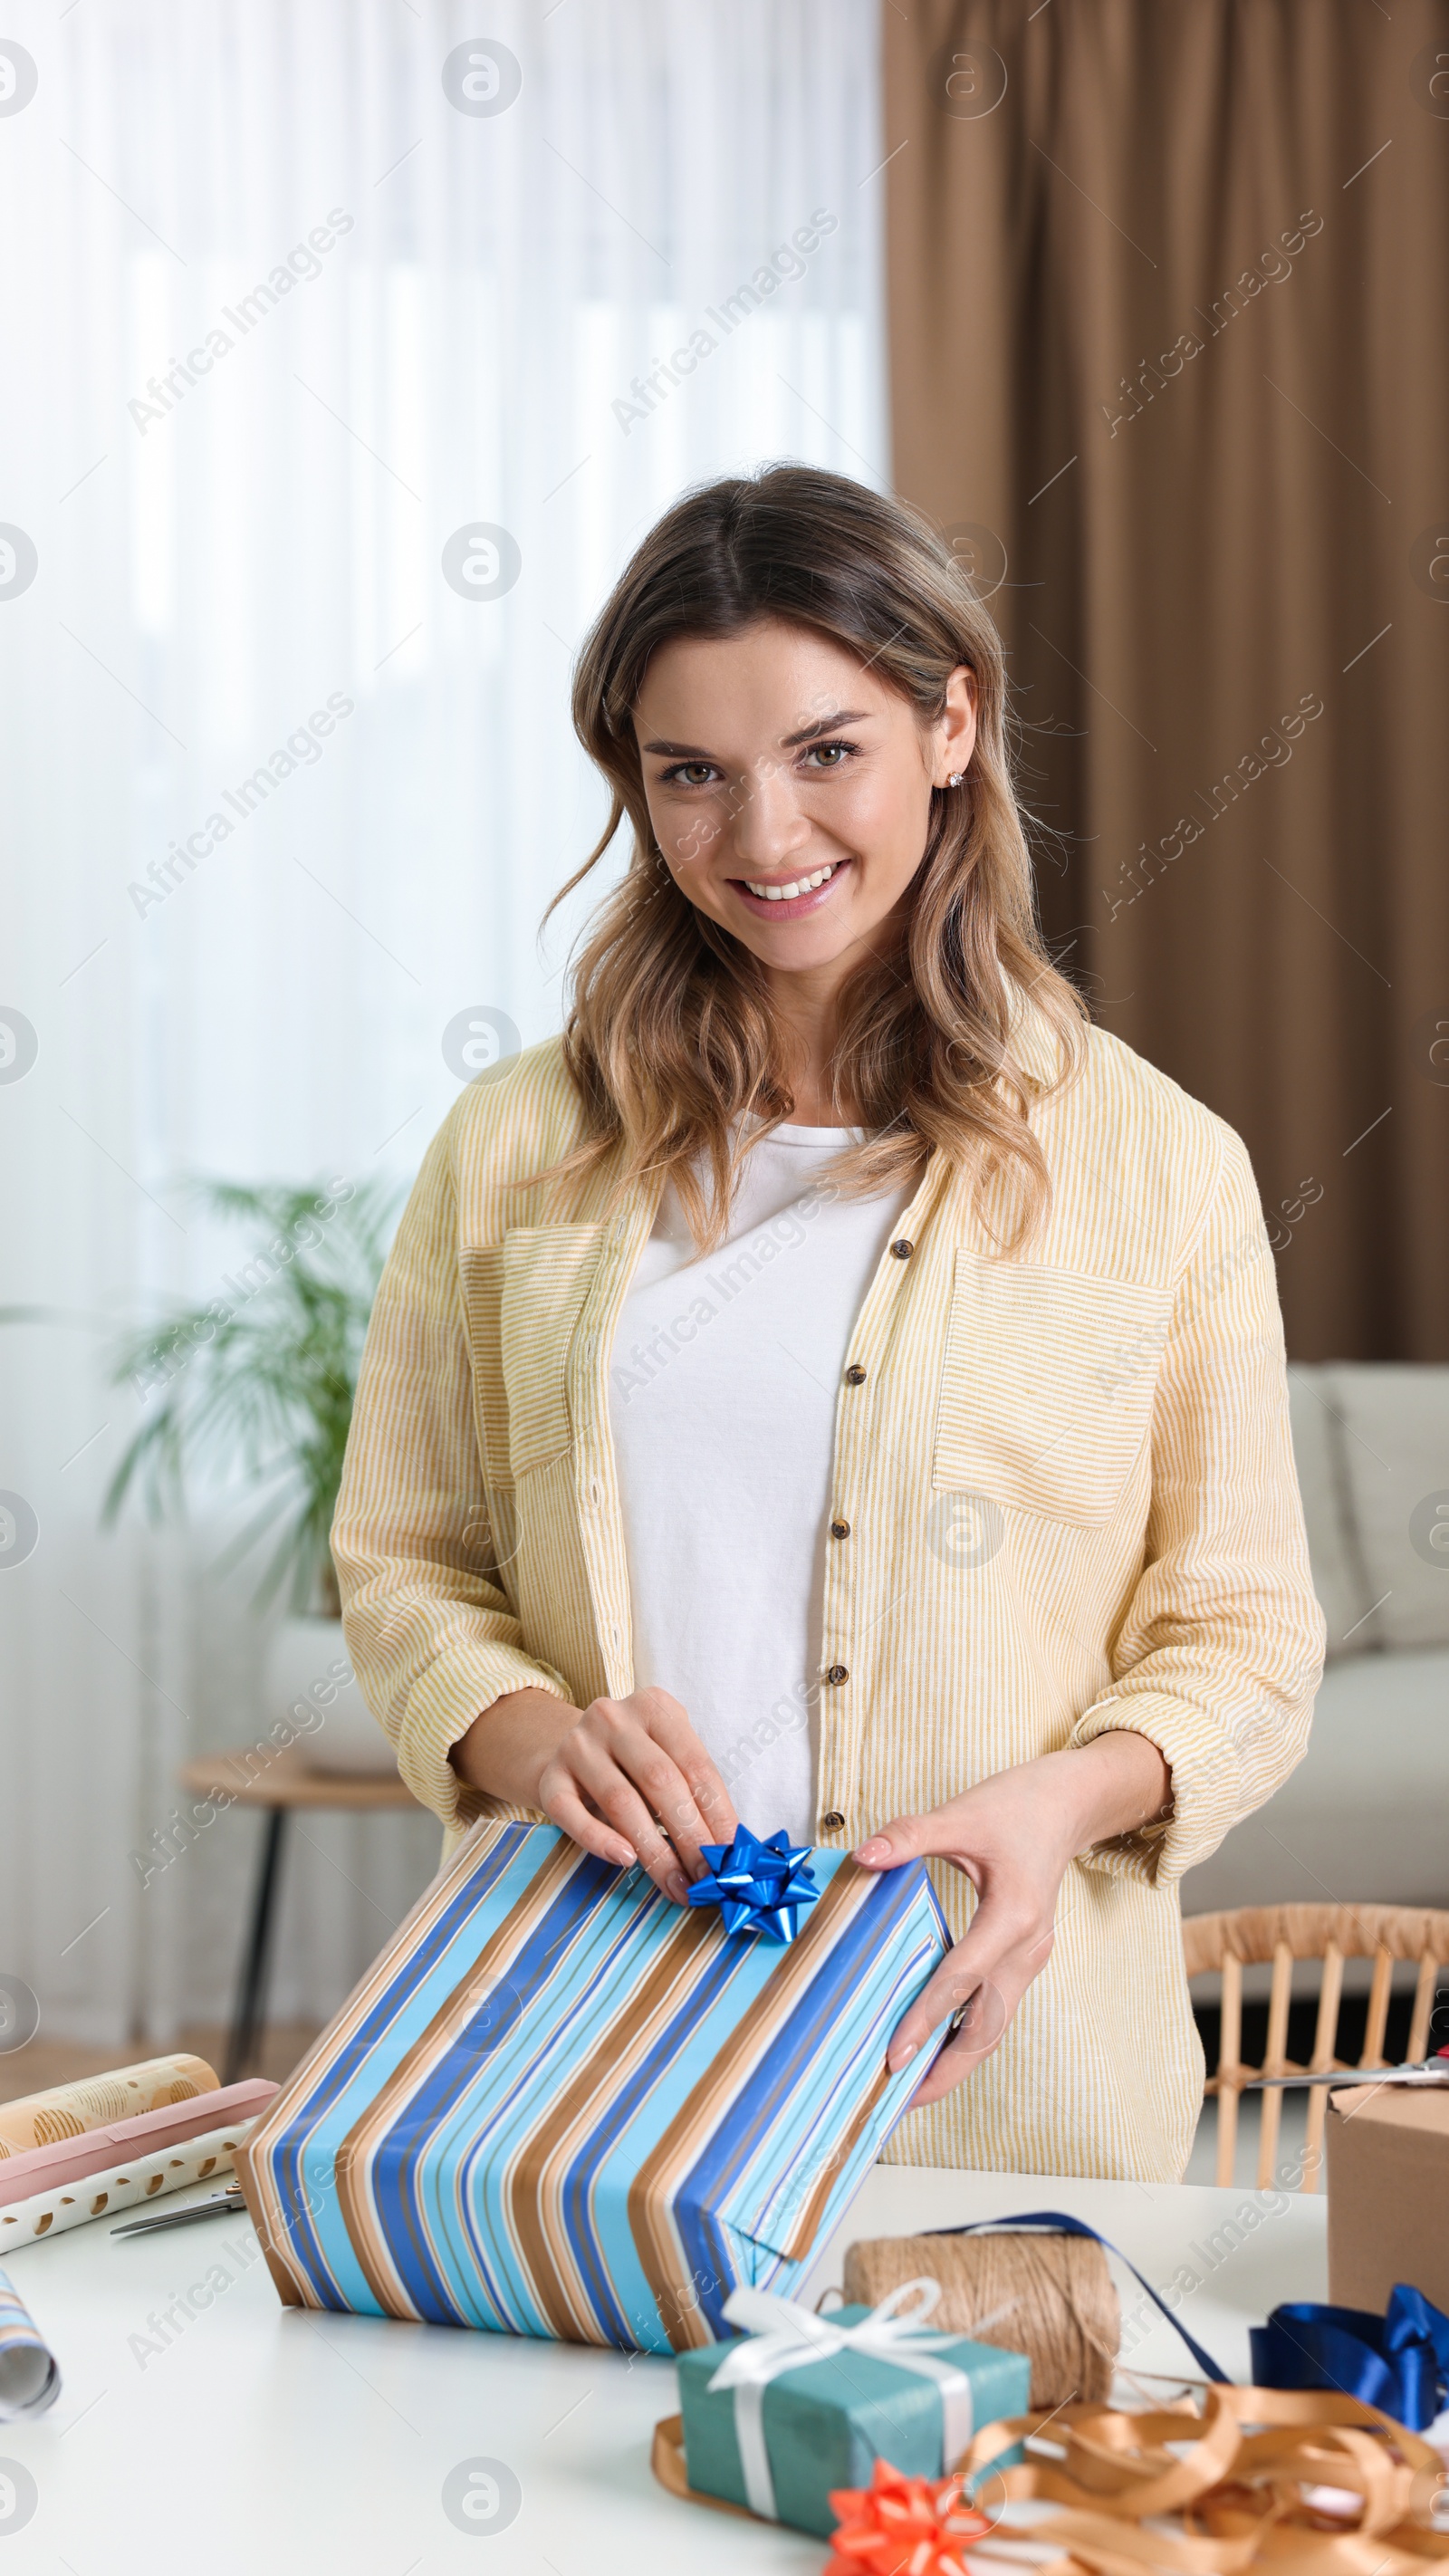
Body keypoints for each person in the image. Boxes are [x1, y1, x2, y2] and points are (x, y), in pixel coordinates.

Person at [331, 464, 1324, 2182]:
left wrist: (1062, 1801)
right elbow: (406, 1558)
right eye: (691, 776)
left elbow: (1243, 1633)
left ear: (952, 724)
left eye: (826, 752)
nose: (766, 840)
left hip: (1002, 2089)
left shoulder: (1161, 1167)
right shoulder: (513, 1146)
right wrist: (535, 1736)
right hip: (583, 2083)